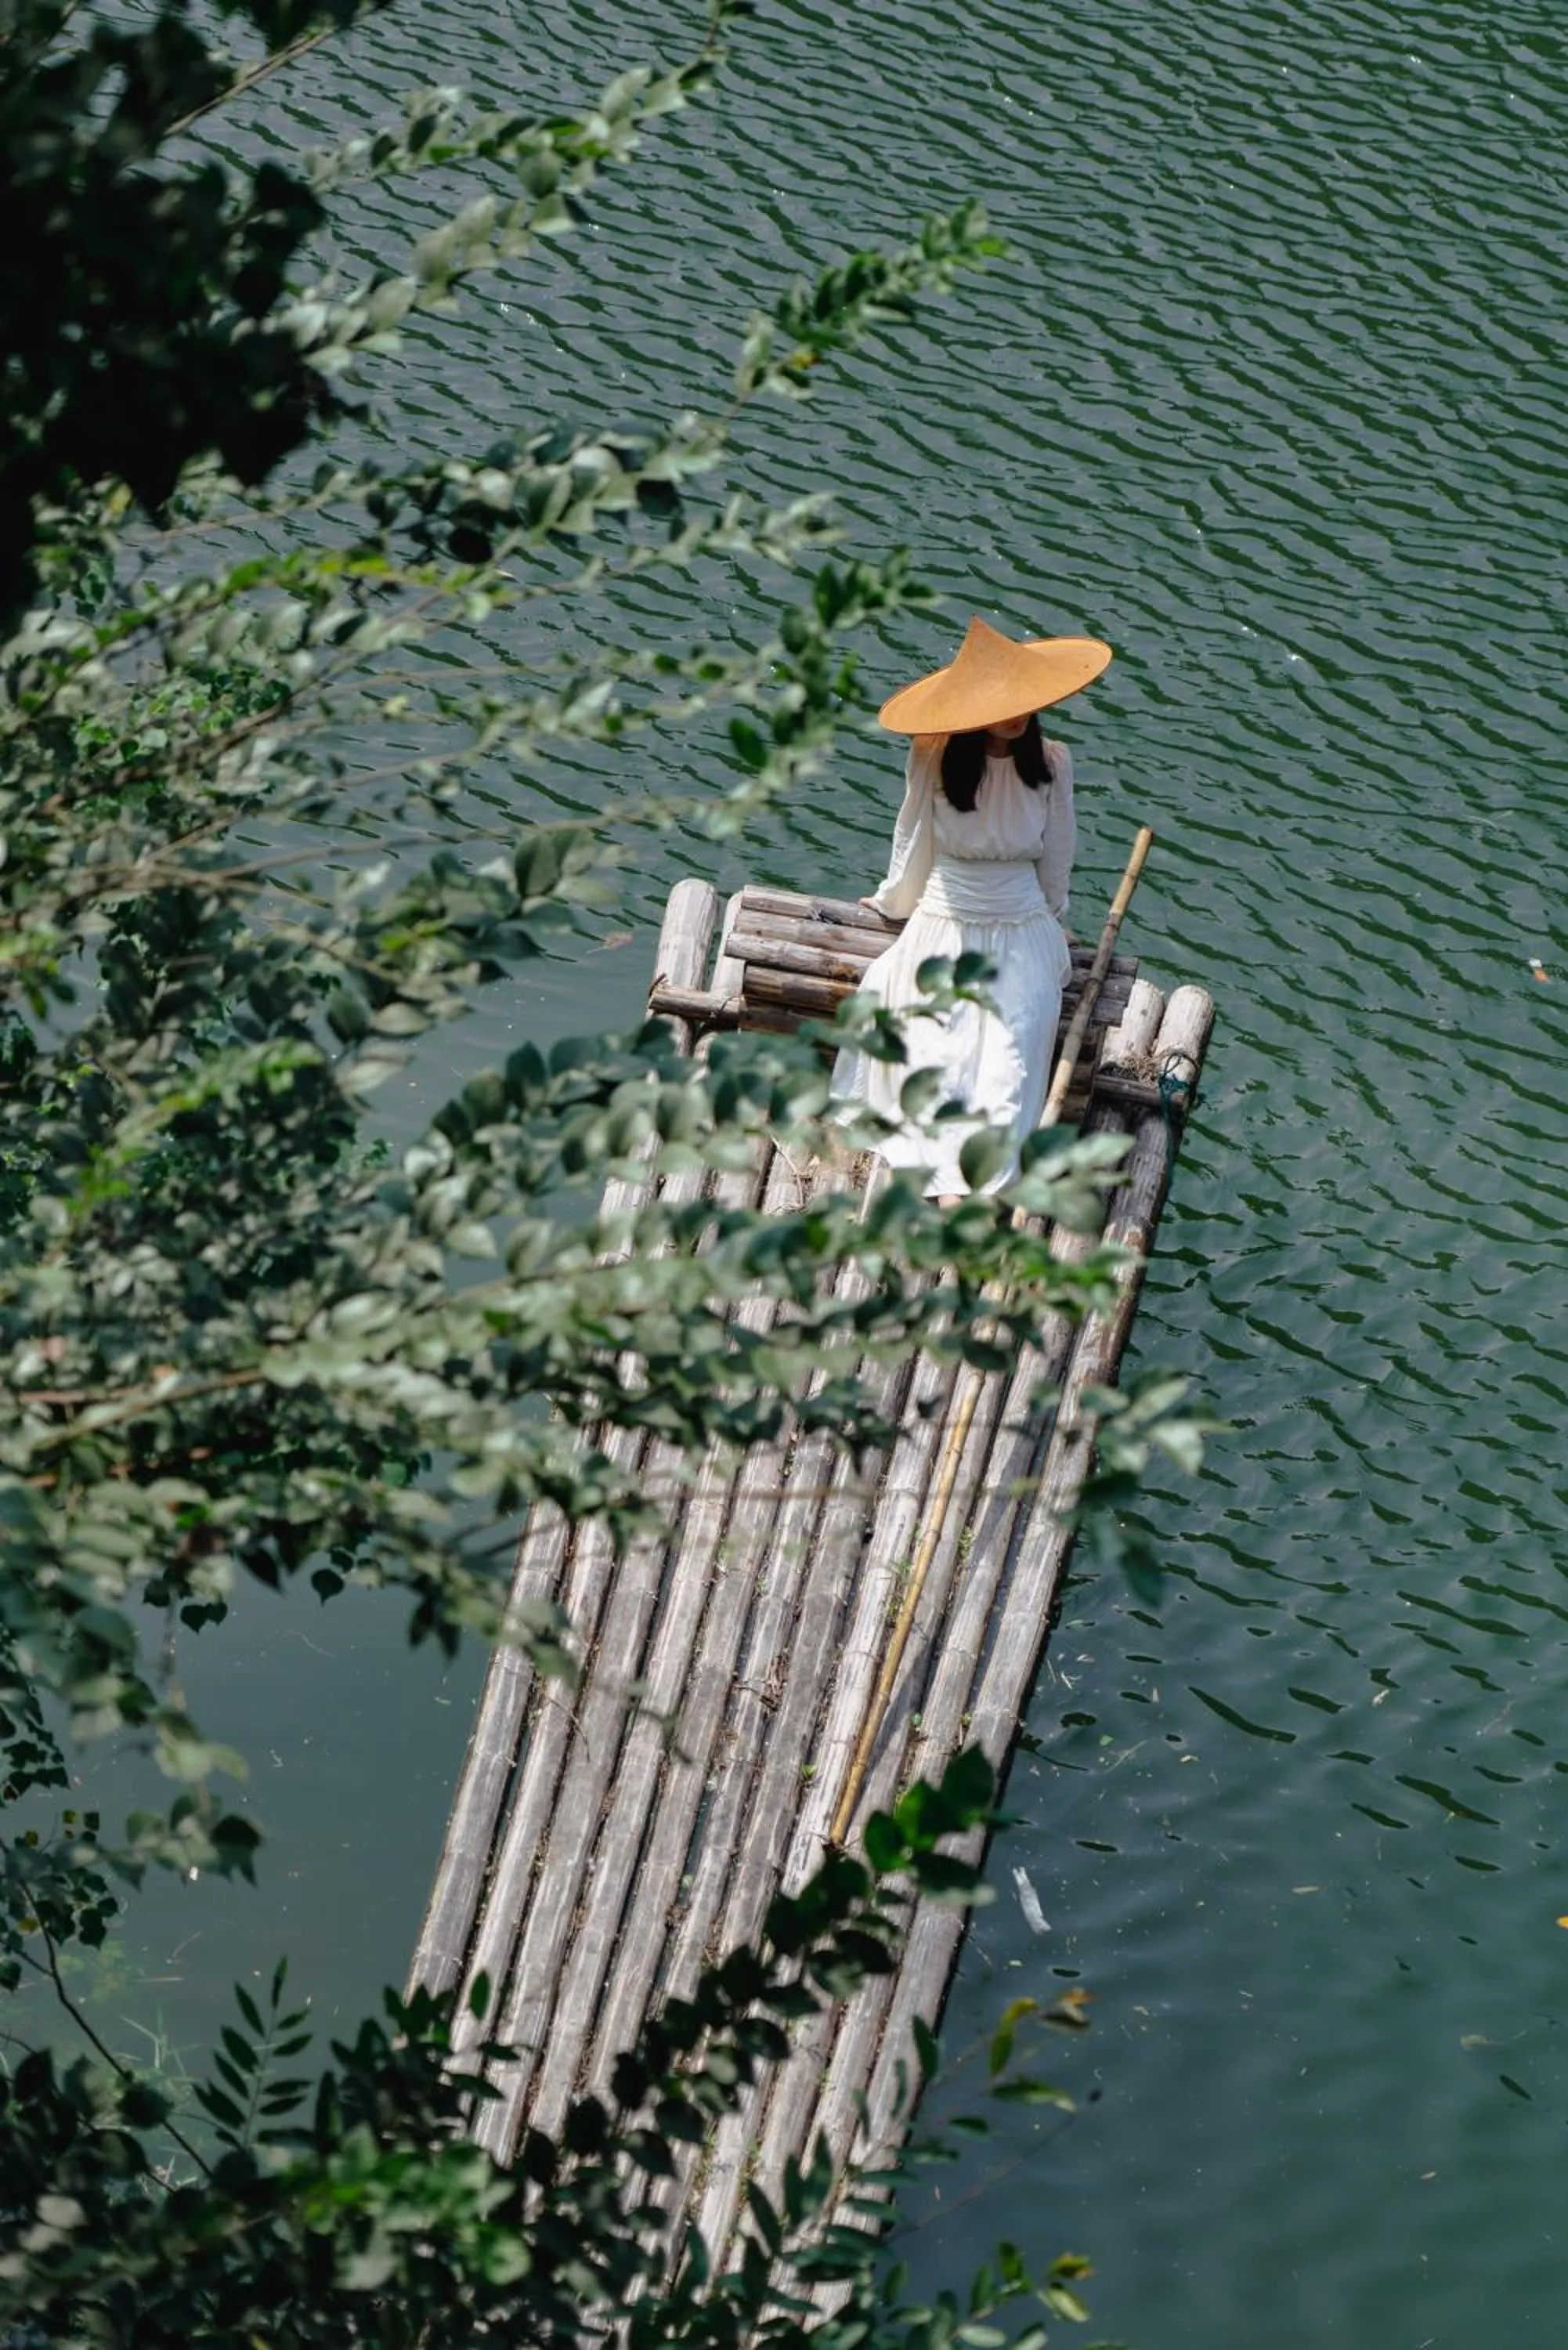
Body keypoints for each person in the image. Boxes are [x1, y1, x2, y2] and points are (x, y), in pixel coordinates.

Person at [830, 615, 1112, 1202]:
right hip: (945, 918)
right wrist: (893, 902)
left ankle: (973, 1177)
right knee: (930, 1038)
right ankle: (943, 1173)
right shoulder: (934, 754)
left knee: (1013, 1046)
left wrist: (1052, 920)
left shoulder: (1053, 762)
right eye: (998, 703)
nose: (1014, 714)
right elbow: (914, 840)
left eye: (1021, 703)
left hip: (1019, 920)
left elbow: (1058, 851)